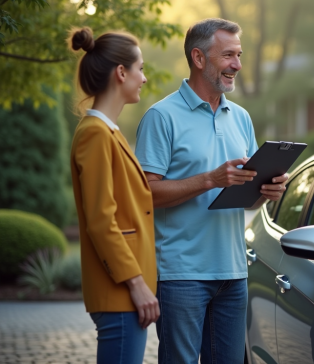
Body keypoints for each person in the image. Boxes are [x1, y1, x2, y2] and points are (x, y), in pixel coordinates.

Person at [134, 18, 288, 364]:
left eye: (239, 55)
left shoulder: (241, 117)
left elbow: (243, 192)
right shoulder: (162, 117)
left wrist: (267, 189)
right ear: (199, 58)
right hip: (181, 274)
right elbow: (144, 193)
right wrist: (209, 179)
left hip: (233, 271)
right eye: (228, 55)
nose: (237, 65)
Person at [69, 27, 160, 364]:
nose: (144, 78)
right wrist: (136, 284)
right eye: (141, 68)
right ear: (121, 73)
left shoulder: (106, 131)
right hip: (120, 290)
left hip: (124, 290)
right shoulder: (95, 134)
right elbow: (100, 220)